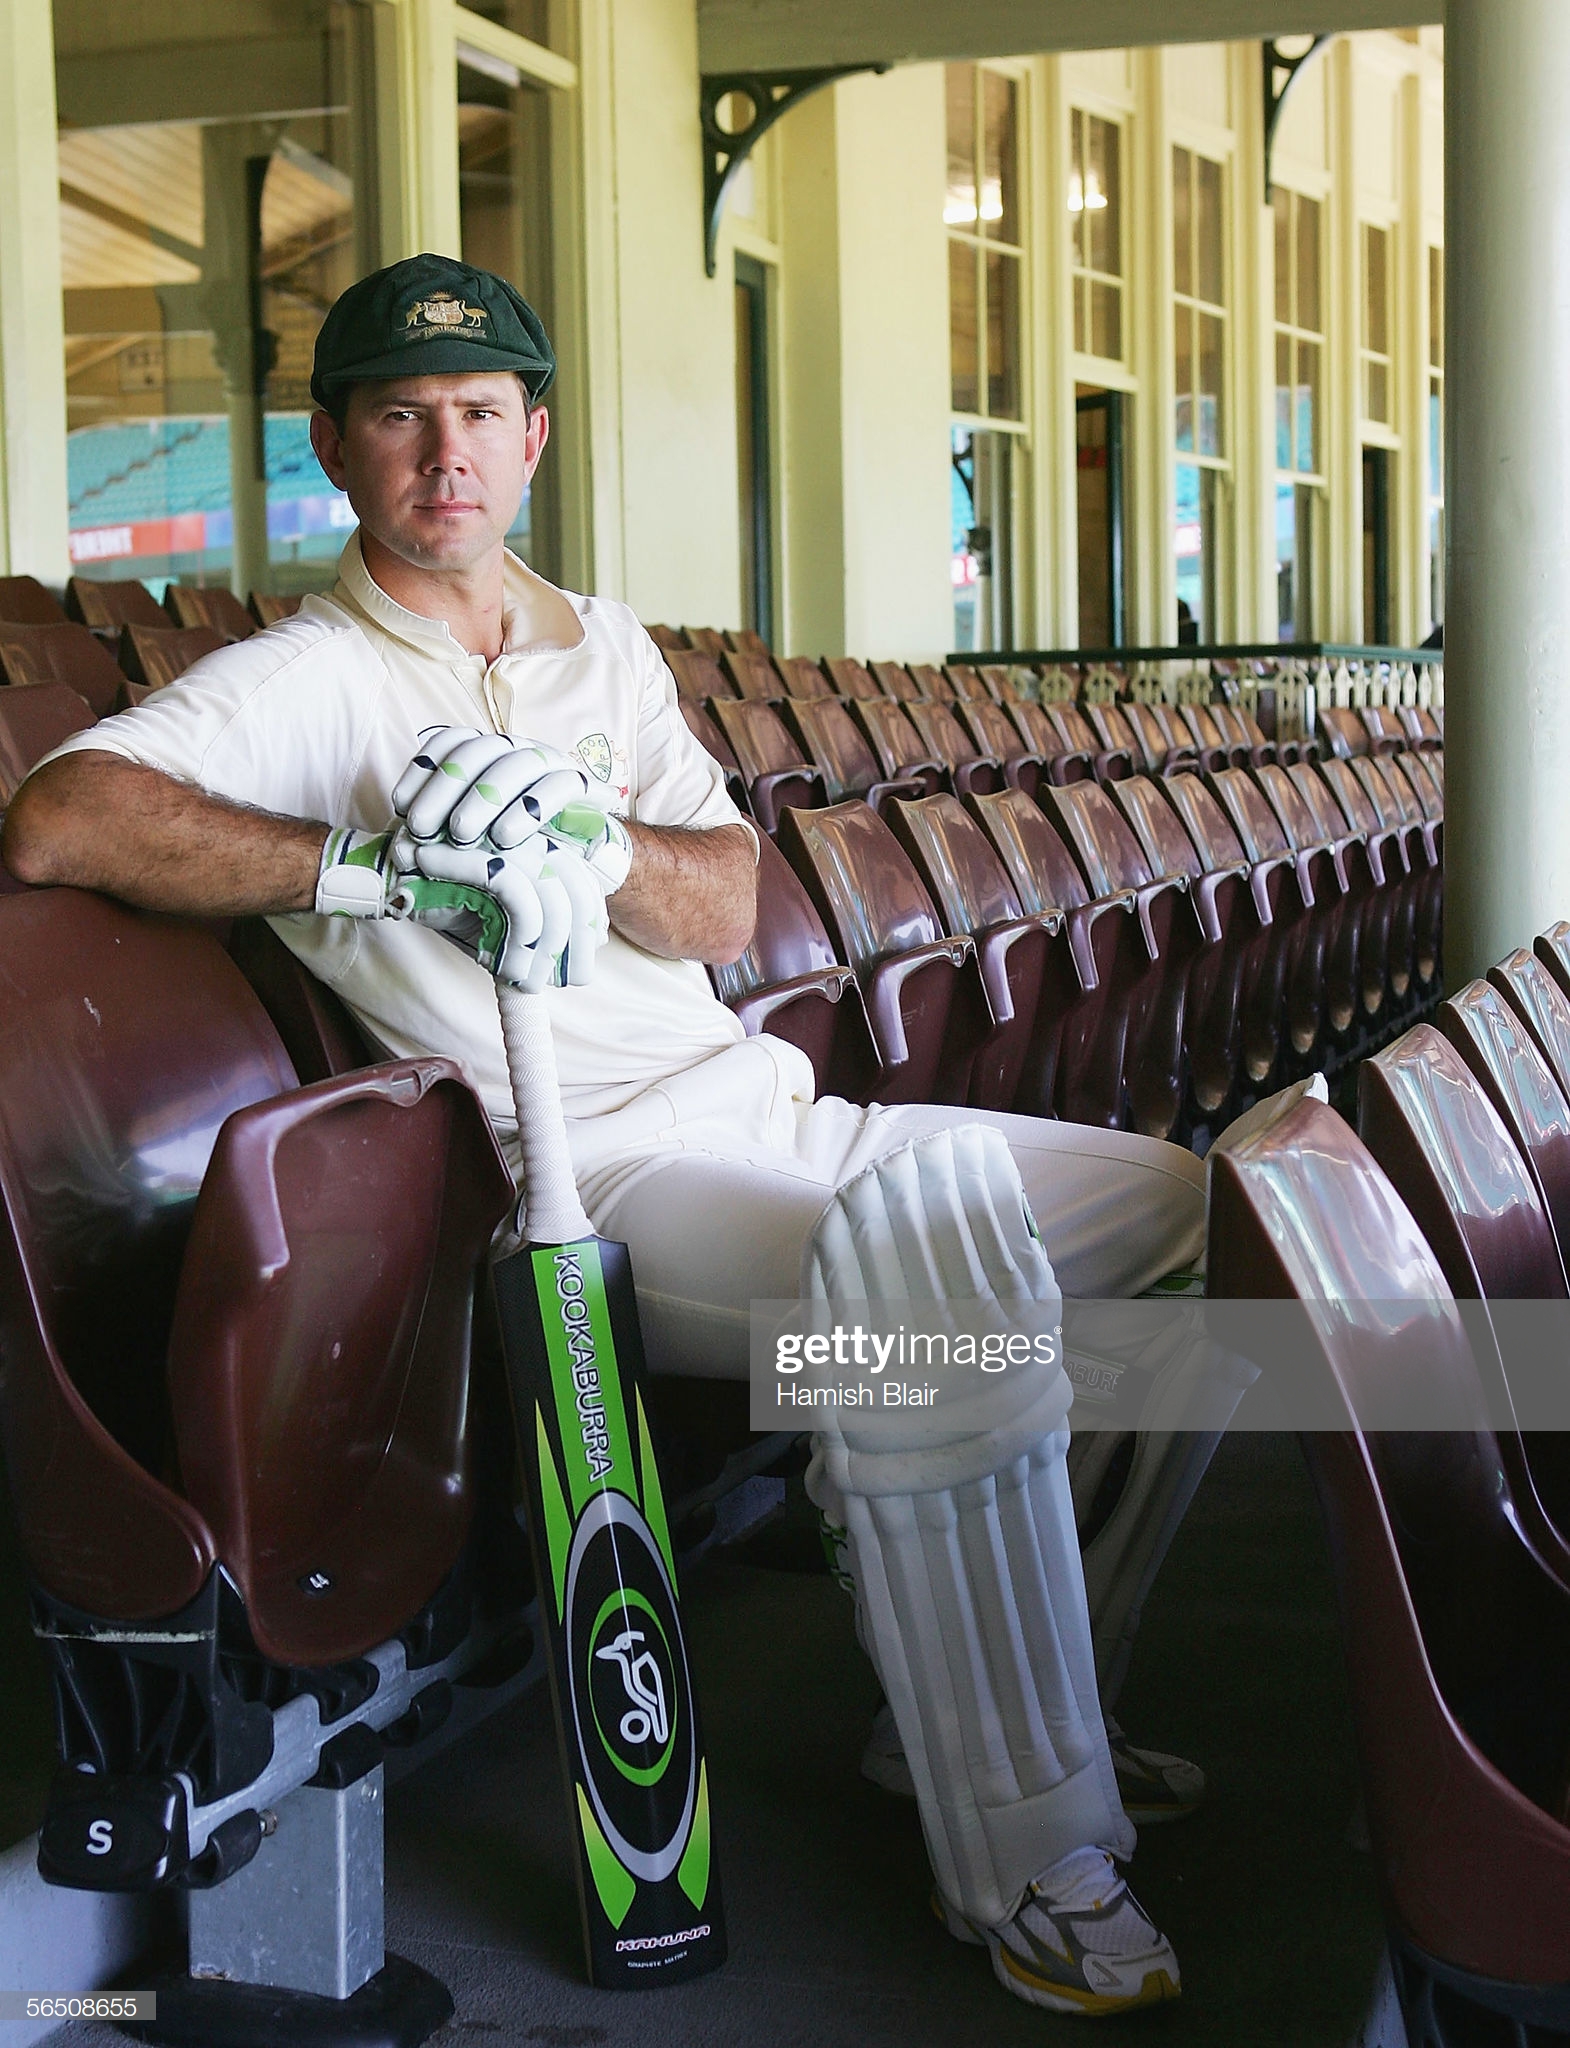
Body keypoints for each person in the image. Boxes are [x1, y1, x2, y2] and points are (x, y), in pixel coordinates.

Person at [4, 254, 1214, 2019]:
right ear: (337, 450)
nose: (446, 455)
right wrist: (368, 868)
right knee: (929, 1272)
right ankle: (1032, 1854)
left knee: (1180, 1217)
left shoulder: (611, 652)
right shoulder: (306, 679)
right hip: (592, 1184)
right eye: (402, 419)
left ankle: (1004, 1704)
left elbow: (724, 902)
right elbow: (58, 817)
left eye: (479, 415)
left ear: (534, 437)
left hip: (769, 1114)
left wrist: (589, 838)